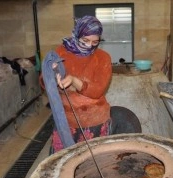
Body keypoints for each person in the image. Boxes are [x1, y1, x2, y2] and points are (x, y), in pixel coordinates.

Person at [41, 16, 141, 154]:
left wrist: (75, 81)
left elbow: (97, 90)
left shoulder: (102, 58)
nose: (89, 46)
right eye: (85, 40)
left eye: (95, 41)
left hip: (95, 121)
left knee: (93, 162)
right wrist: (51, 75)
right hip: (66, 122)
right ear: (76, 35)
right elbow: (43, 81)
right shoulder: (61, 53)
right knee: (66, 163)